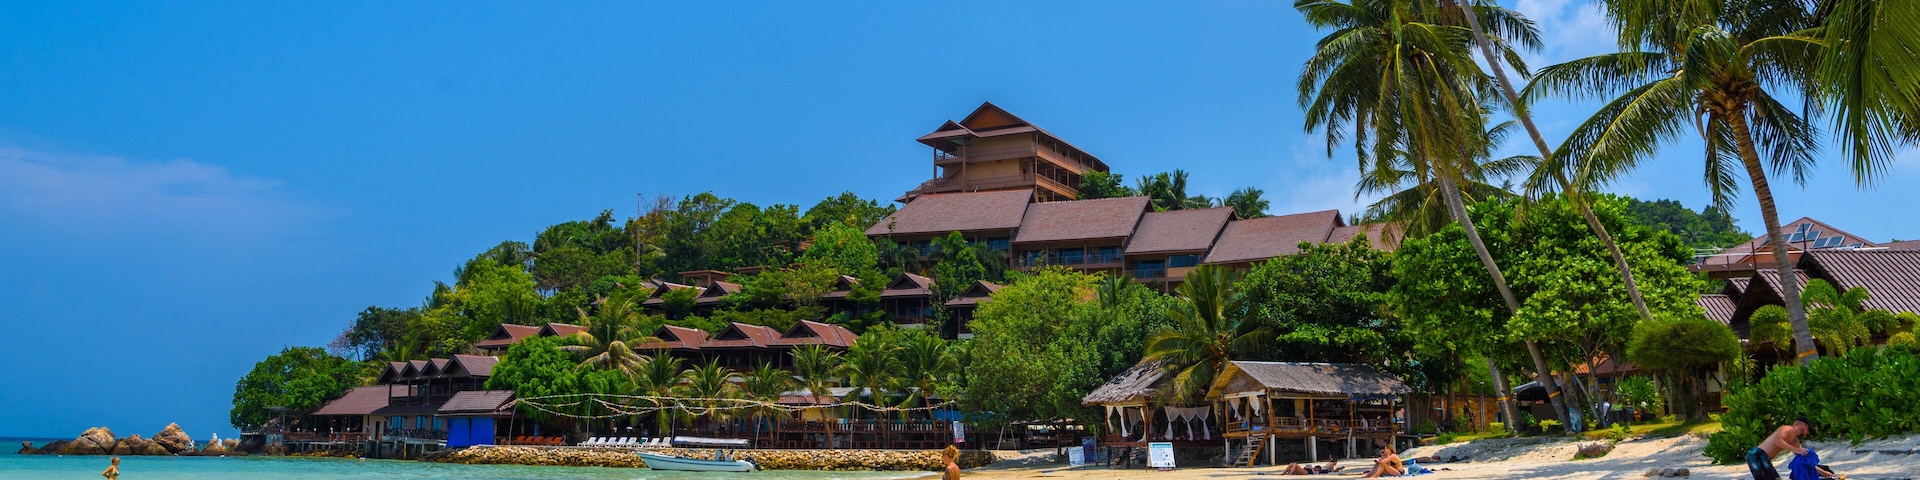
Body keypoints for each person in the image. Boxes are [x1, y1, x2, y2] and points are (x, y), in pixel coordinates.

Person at [1747, 417, 1815, 480]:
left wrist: (1821, 471)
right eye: (1808, 429)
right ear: (1803, 424)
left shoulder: (1795, 441)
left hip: (1766, 458)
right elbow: (1777, 440)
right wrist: (1796, 449)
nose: (1807, 432)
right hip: (1756, 454)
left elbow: (1801, 459)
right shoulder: (1788, 428)